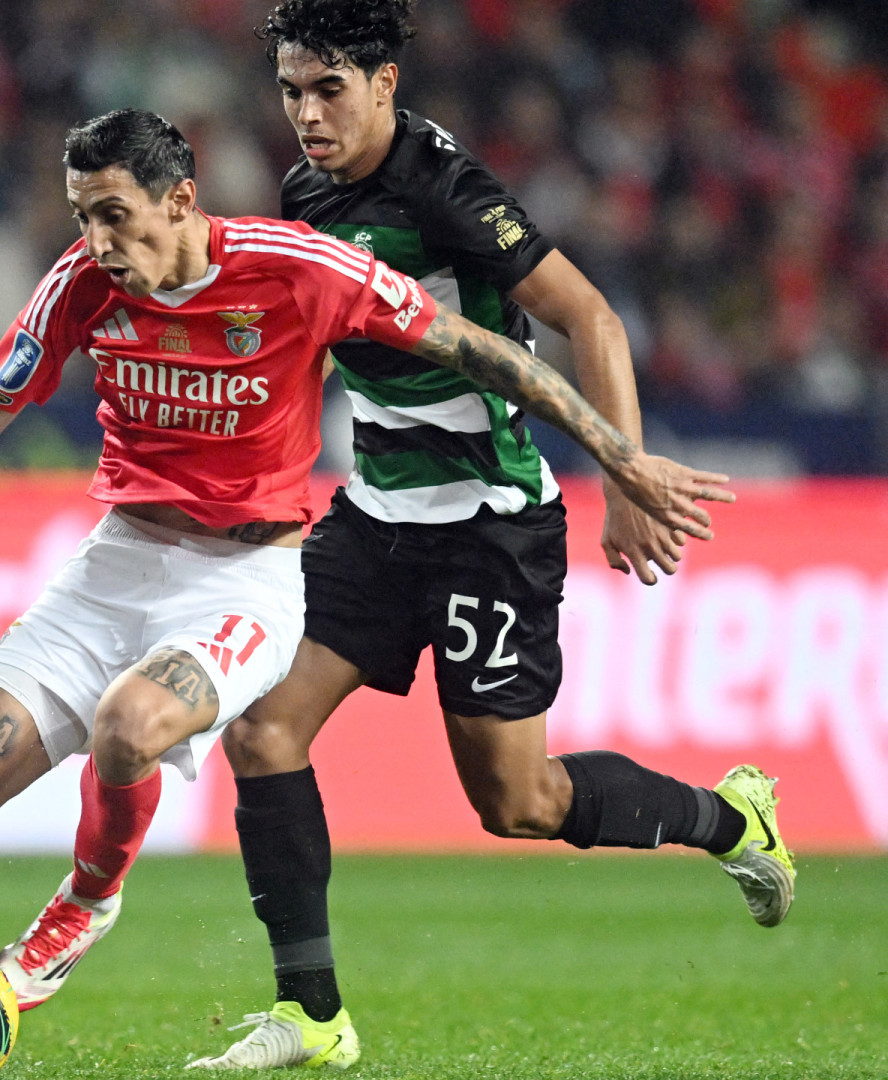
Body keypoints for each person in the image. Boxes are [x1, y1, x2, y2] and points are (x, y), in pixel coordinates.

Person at [0, 107, 727, 1075]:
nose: (99, 240)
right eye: (82, 215)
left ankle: (86, 901)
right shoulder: (80, 285)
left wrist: (620, 457)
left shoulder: (299, 270)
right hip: (113, 567)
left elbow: (489, 353)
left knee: (133, 726)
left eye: (115, 214)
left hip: (246, 582)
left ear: (179, 199)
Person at [175, 1, 793, 1069]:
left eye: (330, 90)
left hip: (487, 525)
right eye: (290, 89)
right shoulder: (305, 193)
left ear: (383, 83)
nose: (307, 114)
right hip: (372, 518)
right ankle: (313, 1017)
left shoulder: (444, 189)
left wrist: (625, 476)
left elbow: (590, 316)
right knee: (262, 732)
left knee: (518, 801)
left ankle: (731, 820)